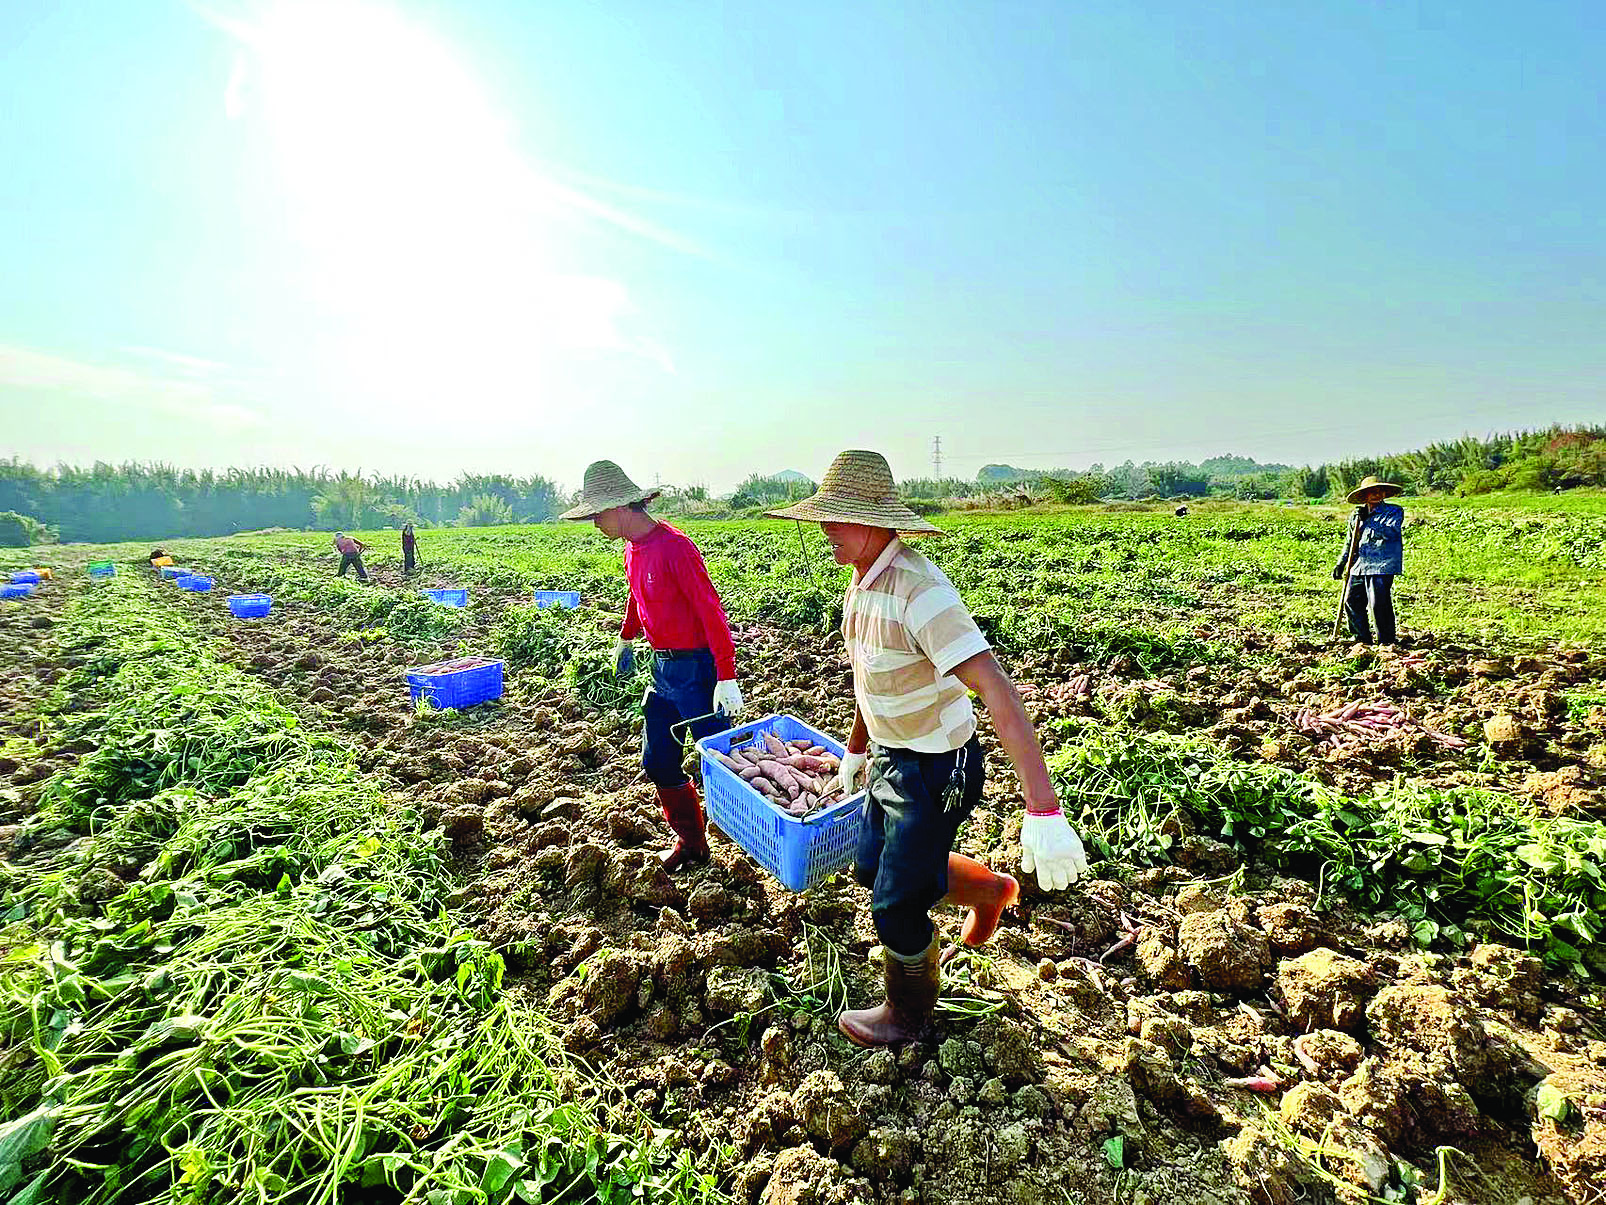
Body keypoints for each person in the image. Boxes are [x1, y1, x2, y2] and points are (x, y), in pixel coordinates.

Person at [769, 450, 1090, 1047]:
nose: (826, 531)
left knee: (895, 903)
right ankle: (991, 891)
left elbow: (995, 685)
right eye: (824, 519)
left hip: (937, 766)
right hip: (894, 757)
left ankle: (909, 1016)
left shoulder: (919, 591)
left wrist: (1042, 808)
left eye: (838, 519)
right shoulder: (863, 586)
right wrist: (857, 748)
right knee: (870, 866)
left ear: (876, 520)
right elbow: (872, 680)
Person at [562, 460, 745, 871]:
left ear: (623, 507)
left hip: (697, 671)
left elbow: (710, 612)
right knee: (658, 760)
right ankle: (693, 842)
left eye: (598, 514)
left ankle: (755, 840)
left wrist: (726, 674)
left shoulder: (676, 548)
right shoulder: (632, 550)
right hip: (662, 669)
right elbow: (636, 596)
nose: (595, 524)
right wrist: (627, 635)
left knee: (722, 761)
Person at [1333, 475, 1404, 647]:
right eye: (1371, 491)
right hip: (1359, 565)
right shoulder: (1356, 516)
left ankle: (1386, 642)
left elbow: (1391, 532)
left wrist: (1368, 522)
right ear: (1365, 495)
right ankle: (1361, 640)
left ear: (1384, 493)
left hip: (1382, 564)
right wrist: (1341, 563)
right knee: (1351, 600)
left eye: (1379, 491)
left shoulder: (1394, 511)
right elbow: (1350, 542)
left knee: (1378, 604)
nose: (1375, 494)